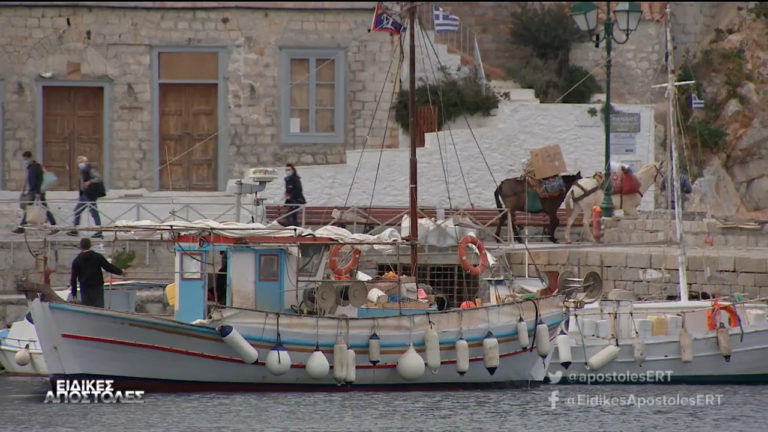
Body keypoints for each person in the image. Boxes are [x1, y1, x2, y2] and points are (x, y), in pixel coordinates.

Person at [69, 237, 125, 308]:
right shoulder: (97, 257)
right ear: (90, 245)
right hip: (97, 287)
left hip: (85, 288)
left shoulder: (76, 260)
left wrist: (74, 293)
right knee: (99, 308)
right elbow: (108, 267)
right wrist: (120, 272)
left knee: (87, 309)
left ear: (80, 246)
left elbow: (73, 278)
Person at [12, 151, 58, 235]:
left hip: (36, 192)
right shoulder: (32, 167)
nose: (25, 161)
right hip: (36, 191)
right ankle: (54, 225)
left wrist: (37, 192)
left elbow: (38, 181)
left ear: (29, 158)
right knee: (42, 208)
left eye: (25, 159)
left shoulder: (34, 167)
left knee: (31, 208)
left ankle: (21, 227)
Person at [66, 155, 104, 238]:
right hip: (85, 195)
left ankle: (99, 231)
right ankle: (75, 230)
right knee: (77, 211)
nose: (79, 164)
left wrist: (89, 182)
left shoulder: (90, 170)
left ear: (85, 162)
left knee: (93, 213)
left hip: (90, 195)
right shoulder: (83, 170)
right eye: (79, 163)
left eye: (81, 162)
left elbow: (99, 178)